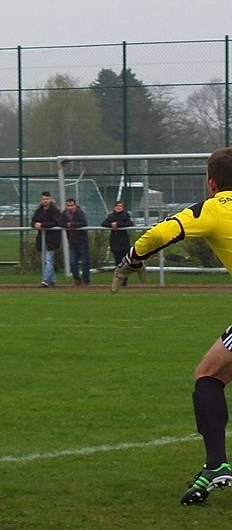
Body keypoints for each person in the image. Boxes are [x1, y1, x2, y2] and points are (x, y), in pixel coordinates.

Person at [111, 147, 232, 505]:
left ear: (211, 183)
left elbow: (162, 233)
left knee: (208, 377)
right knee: (213, 373)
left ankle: (216, 465)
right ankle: (215, 465)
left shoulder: (211, 208)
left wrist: (132, 259)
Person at [31, 191, 62, 287]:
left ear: (50, 199)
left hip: (52, 240)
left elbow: (57, 222)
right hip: (41, 239)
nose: (45, 201)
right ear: (41, 199)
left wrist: (43, 225)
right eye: (44, 199)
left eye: (47, 199)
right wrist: (35, 225)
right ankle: (51, 281)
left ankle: (46, 280)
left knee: (48, 259)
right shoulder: (39, 210)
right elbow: (33, 221)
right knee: (45, 260)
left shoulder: (55, 210)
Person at [101, 200, 134, 285]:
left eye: (120, 206)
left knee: (125, 263)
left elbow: (129, 223)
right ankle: (119, 280)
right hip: (115, 242)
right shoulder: (111, 216)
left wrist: (118, 224)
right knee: (118, 263)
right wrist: (111, 224)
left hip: (123, 243)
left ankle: (124, 281)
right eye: (117, 206)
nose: (118, 207)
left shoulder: (125, 215)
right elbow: (104, 223)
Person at [60, 198, 90, 286]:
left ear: (75, 205)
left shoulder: (80, 213)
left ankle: (86, 280)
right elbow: (59, 223)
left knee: (85, 261)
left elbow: (84, 223)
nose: (70, 207)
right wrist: (66, 225)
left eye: (71, 205)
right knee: (72, 262)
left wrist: (72, 224)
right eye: (68, 206)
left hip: (82, 241)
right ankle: (77, 278)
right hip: (72, 242)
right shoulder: (64, 214)